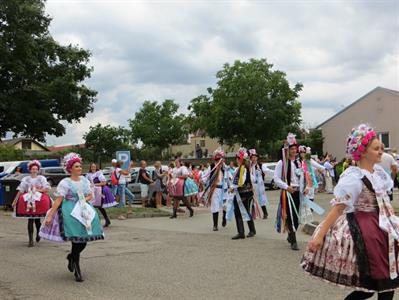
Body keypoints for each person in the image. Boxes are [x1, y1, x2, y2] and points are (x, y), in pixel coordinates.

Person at [302, 124, 399, 300]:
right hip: (367, 232)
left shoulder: (378, 173)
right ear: (362, 152)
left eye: (381, 149)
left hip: (383, 229)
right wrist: (319, 235)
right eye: (376, 148)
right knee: (368, 288)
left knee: (388, 284)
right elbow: (339, 207)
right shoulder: (354, 176)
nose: (380, 152)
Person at [40, 153, 104, 282]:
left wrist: (83, 200)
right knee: (76, 240)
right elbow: (58, 200)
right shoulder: (65, 182)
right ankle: (77, 270)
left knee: (84, 240)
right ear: (70, 168)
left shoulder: (85, 180)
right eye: (77, 166)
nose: (80, 168)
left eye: (80, 166)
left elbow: (90, 196)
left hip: (84, 210)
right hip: (70, 211)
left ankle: (71, 257)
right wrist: (50, 215)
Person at [12, 160, 52, 247]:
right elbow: (21, 190)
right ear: (30, 170)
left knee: (37, 220)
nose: (34, 170)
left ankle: (38, 233)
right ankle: (30, 240)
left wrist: (37, 190)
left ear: (38, 170)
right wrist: (15, 200)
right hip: (28, 200)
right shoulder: (26, 179)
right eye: (32, 169)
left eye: (36, 169)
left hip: (39, 200)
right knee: (30, 220)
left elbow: (47, 189)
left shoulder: (41, 178)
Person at [274, 133, 301, 250]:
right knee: (290, 216)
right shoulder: (282, 163)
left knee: (297, 217)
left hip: (297, 192)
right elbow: (276, 179)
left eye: (295, 149)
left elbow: (303, 177)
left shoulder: (298, 163)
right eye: (292, 149)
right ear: (287, 150)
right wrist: (286, 186)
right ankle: (294, 241)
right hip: (287, 193)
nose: (294, 151)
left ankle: (291, 235)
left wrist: (305, 187)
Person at [228, 147, 257, 240]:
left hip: (243, 194)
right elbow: (253, 179)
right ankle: (250, 231)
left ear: (239, 159)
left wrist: (232, 187)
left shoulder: (242, 169)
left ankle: (242, 232)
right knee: (244, 211)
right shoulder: (243, 169)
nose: (236, 161)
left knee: (240, 212)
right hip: (246, 193)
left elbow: (240, 182)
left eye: (237, 159)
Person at [202, 148, 229, 231]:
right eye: (217, 159)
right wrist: (203, 181)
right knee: (215, 206)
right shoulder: (212, 167)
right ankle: (215, 225)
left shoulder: (225, 167)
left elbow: (229, 177)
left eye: (219, 159)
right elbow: (205, 176)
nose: (218, 161)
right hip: (215, 189)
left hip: (224, 189)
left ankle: (224, 217)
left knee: (225, 205)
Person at [86, 163, 117, 227]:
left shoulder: (99, 173)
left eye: (94, 166)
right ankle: (97, 221)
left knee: (99, 207)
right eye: (92, 166)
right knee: (91, 206)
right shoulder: (88, 175)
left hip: (99, 191)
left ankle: (105, 220)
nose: (93, 167)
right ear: (90, 167)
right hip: (92, 191)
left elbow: (104, 183)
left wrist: (94, 185)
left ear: (96, 167)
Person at [249, 149, 269, 219]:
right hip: (253, 184)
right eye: (252, 157)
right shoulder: (249, 166)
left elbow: (266, 171)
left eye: (255, 157)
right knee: (252, 198)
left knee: (262, 198)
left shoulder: (260, 165)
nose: (254, 158)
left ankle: (265, 213)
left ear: (257, 157)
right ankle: (253, 214)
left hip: (260, 185)